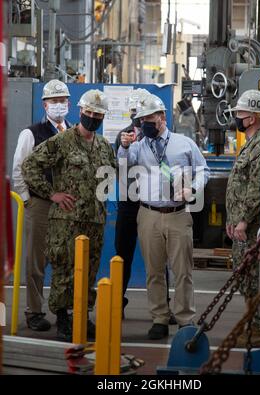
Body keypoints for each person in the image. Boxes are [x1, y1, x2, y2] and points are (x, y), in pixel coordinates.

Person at [22, 89, 115, 341]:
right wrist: (51, 193)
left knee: (90, 271)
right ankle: (63, 318)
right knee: (64, 270)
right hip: (65, 220)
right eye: (89, 113)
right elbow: (29, 166)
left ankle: (82, 315)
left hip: (94, 220)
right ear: (81, 111)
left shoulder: (105, 146)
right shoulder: (62, 141)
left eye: (98, 114)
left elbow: (110, 174)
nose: (93, 117)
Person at [118, 94, 210, 339]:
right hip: (148, 214)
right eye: (142, 119)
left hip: (178, 214)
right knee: (154, 270)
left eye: (150, 118)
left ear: (162, 117)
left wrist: (193, 188)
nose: (146, 122)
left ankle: (185, 319)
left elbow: (203, 170)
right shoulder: (137, 146)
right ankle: (159, 317)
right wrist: (124, 146)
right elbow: (124, 167)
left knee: (182, 271)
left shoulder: (184, 143)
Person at [12, 79, 71, 332]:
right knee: (36, 261)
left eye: (62, 101)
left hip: (68, 207)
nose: (58, 105)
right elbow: (18, 169)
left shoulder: (73, 132)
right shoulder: (31, 133)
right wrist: (27, 199)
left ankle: (63, 311)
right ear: (45, 104)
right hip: (39, 205)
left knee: (65, 261)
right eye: (54, 101)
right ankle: (34, 311)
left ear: (68, 104)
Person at [115, 89, 177, 324]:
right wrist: (127, 147)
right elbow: (121, 165)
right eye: (137, 114)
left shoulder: (163, 138)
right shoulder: (125, 136)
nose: (142, 119)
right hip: (129, 203)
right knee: (123, 255)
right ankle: (117, 301)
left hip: (154, 204)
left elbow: (167, 167)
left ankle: (164, 307)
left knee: (160, 259)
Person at [226, 89, 260, 347]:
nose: (236, 118)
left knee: (252, 276)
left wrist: (243, 220)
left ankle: (256, 327)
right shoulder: (250, 144)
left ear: (251, 117)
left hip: (249, 227)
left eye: (240, 113)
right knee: (244, 274)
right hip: (241, 223)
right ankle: (251, 323)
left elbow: (256, 185)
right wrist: (232, 218)